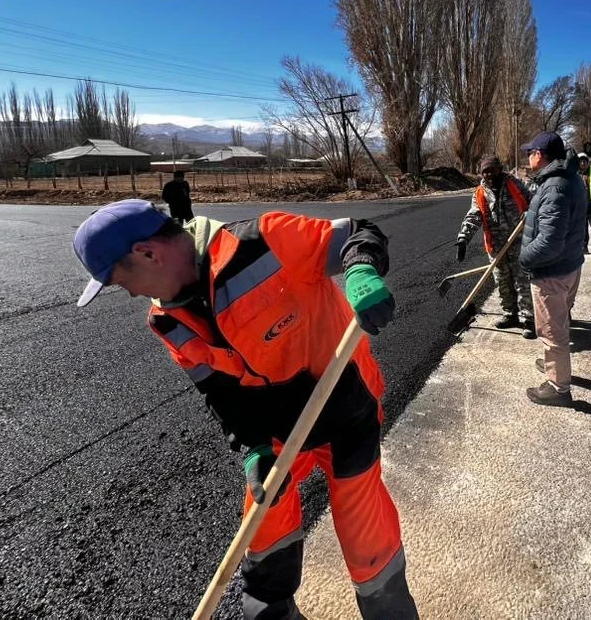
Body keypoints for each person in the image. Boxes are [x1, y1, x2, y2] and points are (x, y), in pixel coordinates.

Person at [72, 199, 417, 620]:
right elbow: (220, 395)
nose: (128, 292)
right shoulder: (167, 321)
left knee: (364, 529)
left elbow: (360, 233)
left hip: (346, 405)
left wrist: (361, 270)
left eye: (119, 279)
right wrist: (254, 447)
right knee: (264, 521)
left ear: (147, 253)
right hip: (275, 427)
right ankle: (271, 613)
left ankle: (389, 611)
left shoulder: (264, 241)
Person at [518, 131, 587, 407]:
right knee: (559, 323)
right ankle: (553, 365)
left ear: (540, 155)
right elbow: (562, 220)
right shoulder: (570, 178)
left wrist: (524, 259)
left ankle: (558, 388)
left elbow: (548, 242)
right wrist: (533, 214)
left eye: (530, 153)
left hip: (552, 273)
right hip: (570, 265)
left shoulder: (555, 185)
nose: (528, 157)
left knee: (552, 331)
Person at [456, 155, 535, 338]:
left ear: (499, 169)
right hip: (496, 245)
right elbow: (474, 215)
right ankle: (510, 315)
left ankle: (529, 320)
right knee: (502, 281)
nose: (489, 174)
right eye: (485, 171)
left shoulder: (515, 184)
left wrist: (529, 213)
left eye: (492, 170)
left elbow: (534, 202)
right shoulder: (480, 192)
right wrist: (463, 238)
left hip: (519, 242)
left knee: (523, 281)